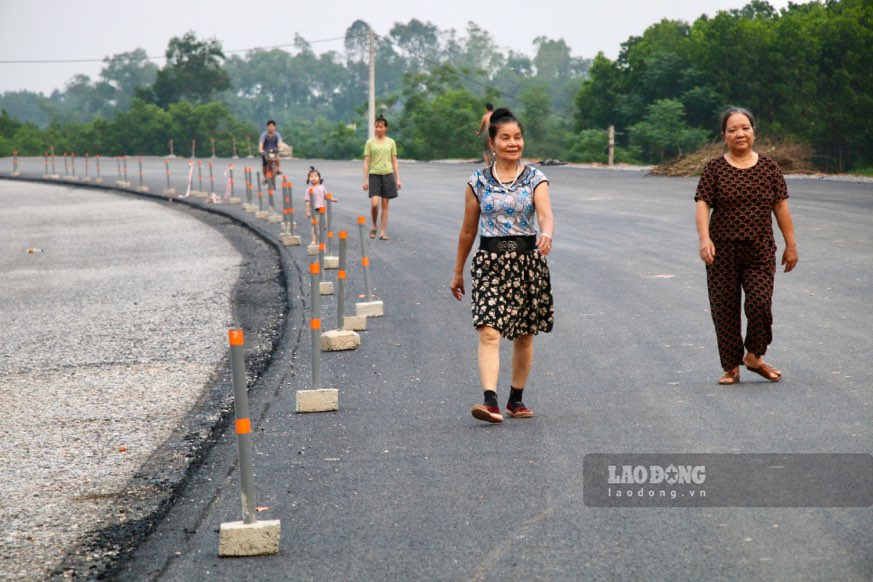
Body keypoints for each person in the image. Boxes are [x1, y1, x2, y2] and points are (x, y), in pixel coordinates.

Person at [450, 108, 555, 424]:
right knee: (489, 330)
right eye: (505, 138)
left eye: (517, 137)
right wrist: (457, 270)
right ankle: (489, 401)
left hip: (526, 263)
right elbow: (468, 230)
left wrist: (547, 232)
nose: (513, 143)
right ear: (492, 144)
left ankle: (515, 399)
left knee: (524, 334)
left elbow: (546, 214)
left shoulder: (536, 177)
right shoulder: (477, 182)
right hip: (489, 263)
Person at [695, 107, 798, 385]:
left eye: (745, 128)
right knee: (724, 308)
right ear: (724, 136)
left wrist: (791, 244)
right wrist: (704, 240)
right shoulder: (714, 169)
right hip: (722, 251)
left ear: (753, 131)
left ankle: (754, 355)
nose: (740, 134)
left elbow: (781, 206)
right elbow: (703, 203)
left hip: (760, 249)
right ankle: (731, 367)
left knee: (759, 303)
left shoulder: (769, 168)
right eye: (732, 130)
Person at [362, 115, 402, 240]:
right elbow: (366, 161)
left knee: (385, 204)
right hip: (374, 175)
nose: (378, 129)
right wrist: (365, 179)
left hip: (388, 175)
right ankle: (374, 225)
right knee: (374, 204)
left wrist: (398, 179)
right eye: (376, 127)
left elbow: (394, 160)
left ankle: (383, 232)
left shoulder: (391, 142)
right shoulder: (370, 142)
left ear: (386, 128)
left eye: (381, 127)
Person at [305, 166, 327, 246]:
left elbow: (326, 196)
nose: (313, 178)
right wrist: (307, 211)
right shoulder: (309, 190)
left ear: (319, 178)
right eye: (311, 176)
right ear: (308, 179)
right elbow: (307, 201)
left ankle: (319, 239)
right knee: (315, 225)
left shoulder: (322, 187)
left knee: (323, 226)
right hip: (315, 210)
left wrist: (332, 199)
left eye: (315, 176)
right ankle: (314, 240)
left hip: (323, 210)